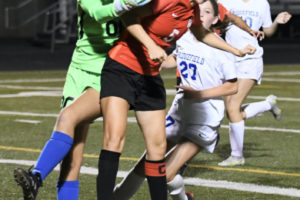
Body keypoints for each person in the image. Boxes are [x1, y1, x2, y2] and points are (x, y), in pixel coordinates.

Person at [101, 0, 255, 199]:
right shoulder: (185, 37)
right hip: (180, 111)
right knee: (149, 161)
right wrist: (151, 54)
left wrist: (235, 53)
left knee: (164, 172)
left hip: (204, 118)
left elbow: (232, 87)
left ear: (216, 19)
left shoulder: (221, 51)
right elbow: (172, 59)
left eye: (207, 12)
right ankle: (118, 196)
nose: (200, 14)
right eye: (200, 10)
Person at [13, 0, 152, 199]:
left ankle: (36, 176)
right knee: (71, 161)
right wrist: (126, 5)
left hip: (111, 72)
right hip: (78, 71)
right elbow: (98, 13)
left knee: (67, 117)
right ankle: (36, 178)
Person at [217, 0, 292, 167]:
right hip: (229, 59)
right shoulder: (225, 1)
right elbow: (218, 24)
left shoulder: (261, 3)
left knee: (233, 107)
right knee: (231, 111)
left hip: (251, 59)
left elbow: (268, 31)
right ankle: (267, 104)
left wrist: (276, 22)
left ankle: (237, 156)